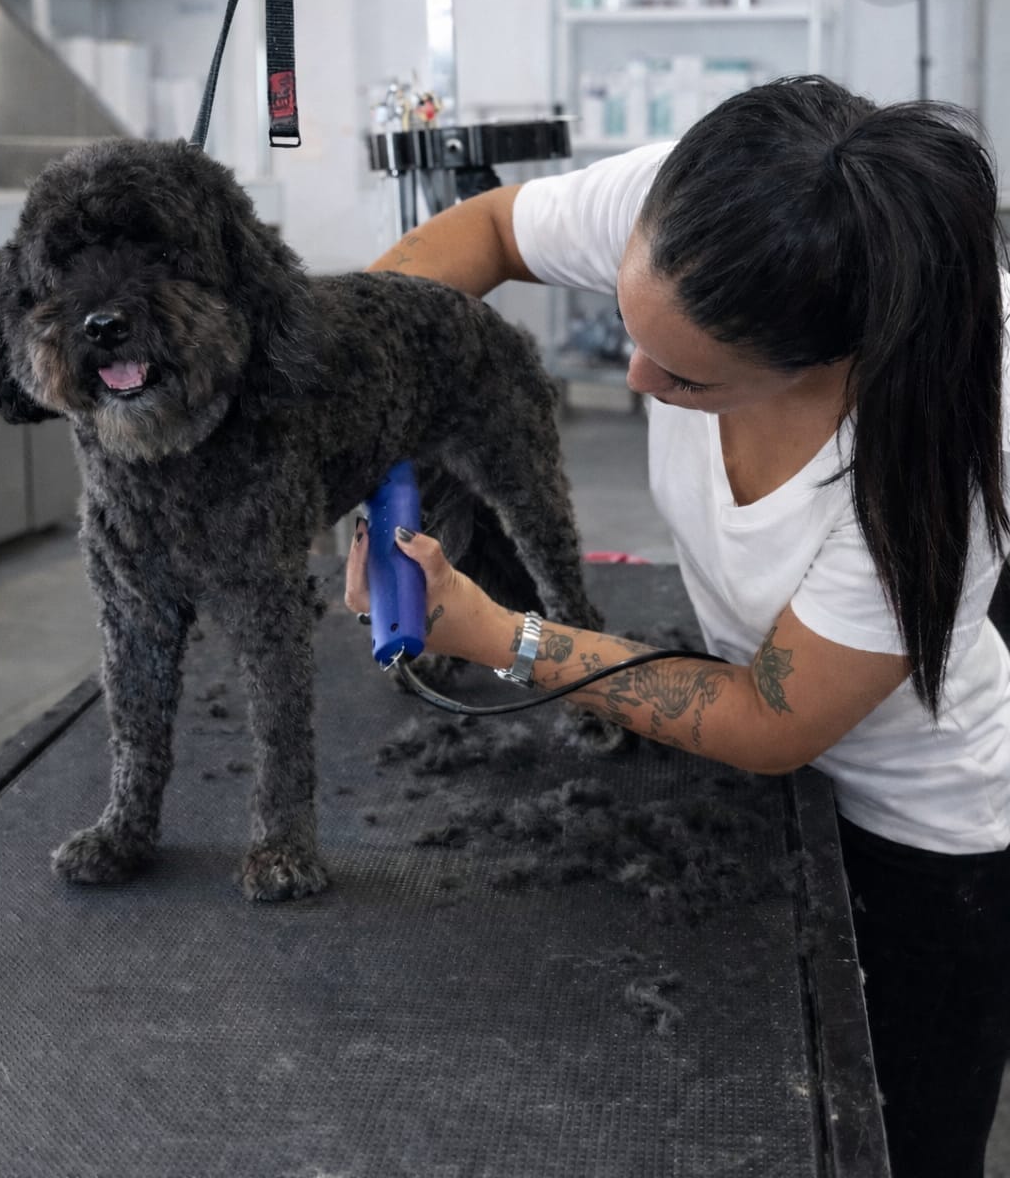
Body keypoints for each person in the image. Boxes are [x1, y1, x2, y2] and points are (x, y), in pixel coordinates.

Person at [345, 74, 1010, 1178]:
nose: (639, 380)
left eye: (689, 380)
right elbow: (495, 228)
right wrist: (358, 388)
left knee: (892, 1146)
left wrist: (500, 635)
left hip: (921, 834)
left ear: (825, 364)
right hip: (754, 754)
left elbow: (768, 719)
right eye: (625, 326)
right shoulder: (702, 209)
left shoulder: (939, 438)